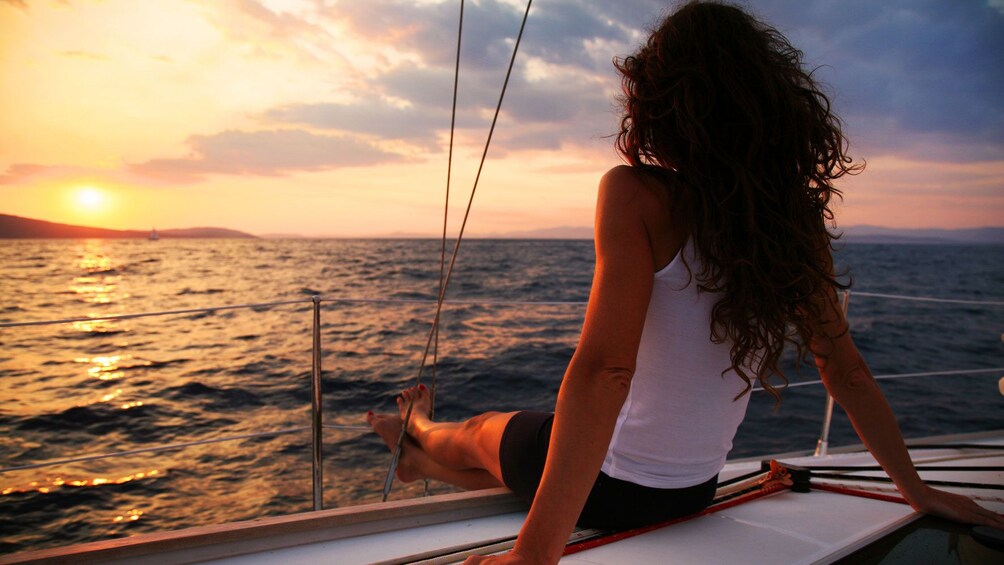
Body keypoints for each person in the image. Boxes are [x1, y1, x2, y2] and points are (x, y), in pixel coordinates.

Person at [366, 2, 1004, 563]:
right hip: (691, 490)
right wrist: (914, 490)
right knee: (516, 456)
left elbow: (605, 372)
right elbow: (847, 370)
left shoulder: (637, 195)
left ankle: (421, 430)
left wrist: (534, 557)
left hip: (610, 487)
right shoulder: (792, 224)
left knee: (482, 432)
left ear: (665, 101)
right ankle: (420, 461)